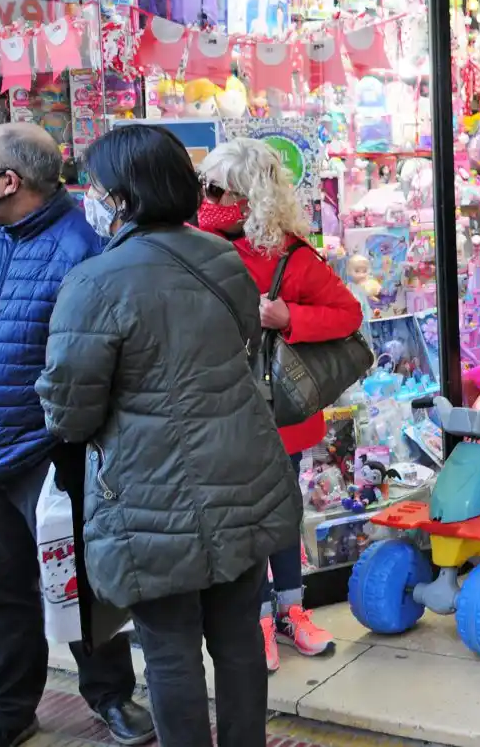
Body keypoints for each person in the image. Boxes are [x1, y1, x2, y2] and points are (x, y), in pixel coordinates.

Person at [35, 124, 306, 745]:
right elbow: (242, 349)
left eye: (97, 186)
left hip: (147, 501)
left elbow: (70, 414)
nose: (90, 197)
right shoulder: (222, 259)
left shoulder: (92, 284)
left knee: (168, 652)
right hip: (241, 478)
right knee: (239, 640)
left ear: (123, 197)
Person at [0, 123, 153, 747]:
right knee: (0, 594)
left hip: (45, 456)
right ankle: (8, 709)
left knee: (78, 586)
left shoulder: (81, 248)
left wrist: (68, 442)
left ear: (10, 180)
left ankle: (111, 698)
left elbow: (95, 363)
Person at [197, 137, 363, 671]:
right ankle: (254, 619)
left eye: (216, 187)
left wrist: (290, 318)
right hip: (212, 410)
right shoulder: (188, 243)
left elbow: (348, 314)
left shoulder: (288, 254)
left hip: (273, 413)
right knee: (237, 521)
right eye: (205, 186)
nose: (206, 197)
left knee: (281, 512)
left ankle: (289, 612)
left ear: (247, 196)